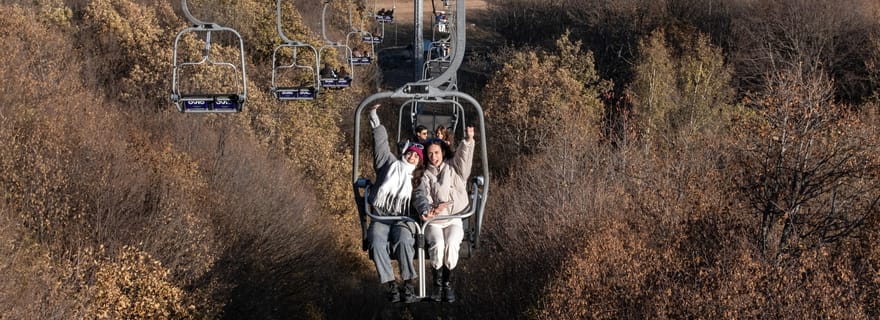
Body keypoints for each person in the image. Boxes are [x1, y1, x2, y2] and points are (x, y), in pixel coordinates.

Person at [368, 103, 424, 303]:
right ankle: (392, 284)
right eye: (410, 153)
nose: (412, 156)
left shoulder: (417, 178)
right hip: (382, 216)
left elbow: (422, 197)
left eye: (416, 156)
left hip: (403, 217)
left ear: (419, 161)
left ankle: (408, 284)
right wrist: (375, 117)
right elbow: (381, 144)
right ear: (405, 152)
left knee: (404, 240)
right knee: (375, 241)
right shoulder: (388, 164)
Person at [414, 125, 475, 303]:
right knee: (438, 244)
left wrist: (468, 141)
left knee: (452, 243)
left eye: (437, 153)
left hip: (453, 218)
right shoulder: (424, 174)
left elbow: (464, 159)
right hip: (433, 221)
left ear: (443, 152)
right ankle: (437, 284)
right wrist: (428, 210)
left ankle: (447, 283)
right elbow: (420, 195)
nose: (434, 157)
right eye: (430, 154)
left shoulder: (453, 168)